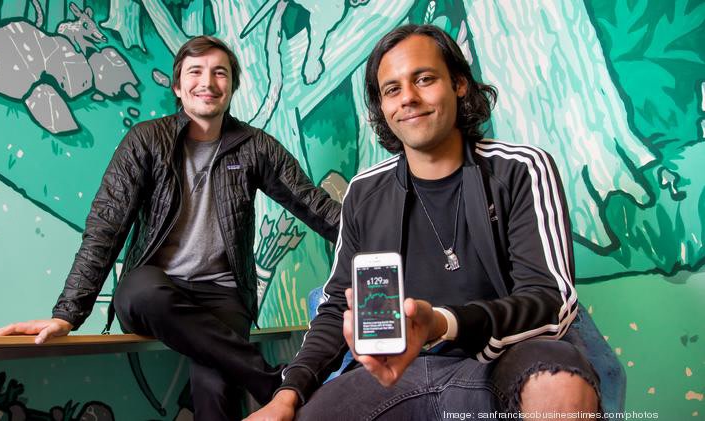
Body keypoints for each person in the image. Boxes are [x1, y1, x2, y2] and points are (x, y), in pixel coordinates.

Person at [247, 24, 599, 420]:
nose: (408, 98)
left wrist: (442, 323)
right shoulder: (364, 192)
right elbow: (333, 309)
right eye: (392, 89)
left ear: (460, 84)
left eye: (425, 79)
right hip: (398, 374)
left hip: (504, 358)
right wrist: (287, 394)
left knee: (558, 383)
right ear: (382, 106)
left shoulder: (520, 169)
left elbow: (551, 301)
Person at [0, 36, 340, 421]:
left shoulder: (254, 146)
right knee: (140, 288)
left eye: (220, 72)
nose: (208, 81)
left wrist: (385, 242)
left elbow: (315, 205)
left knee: (215, 384)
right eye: (196, 71)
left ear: (233, 86)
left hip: (222, 294)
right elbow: (106, 225)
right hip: (156, 290)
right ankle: (276, 383)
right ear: (177, 86)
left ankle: (270, 383)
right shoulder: (146, 140)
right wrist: (68, 313)